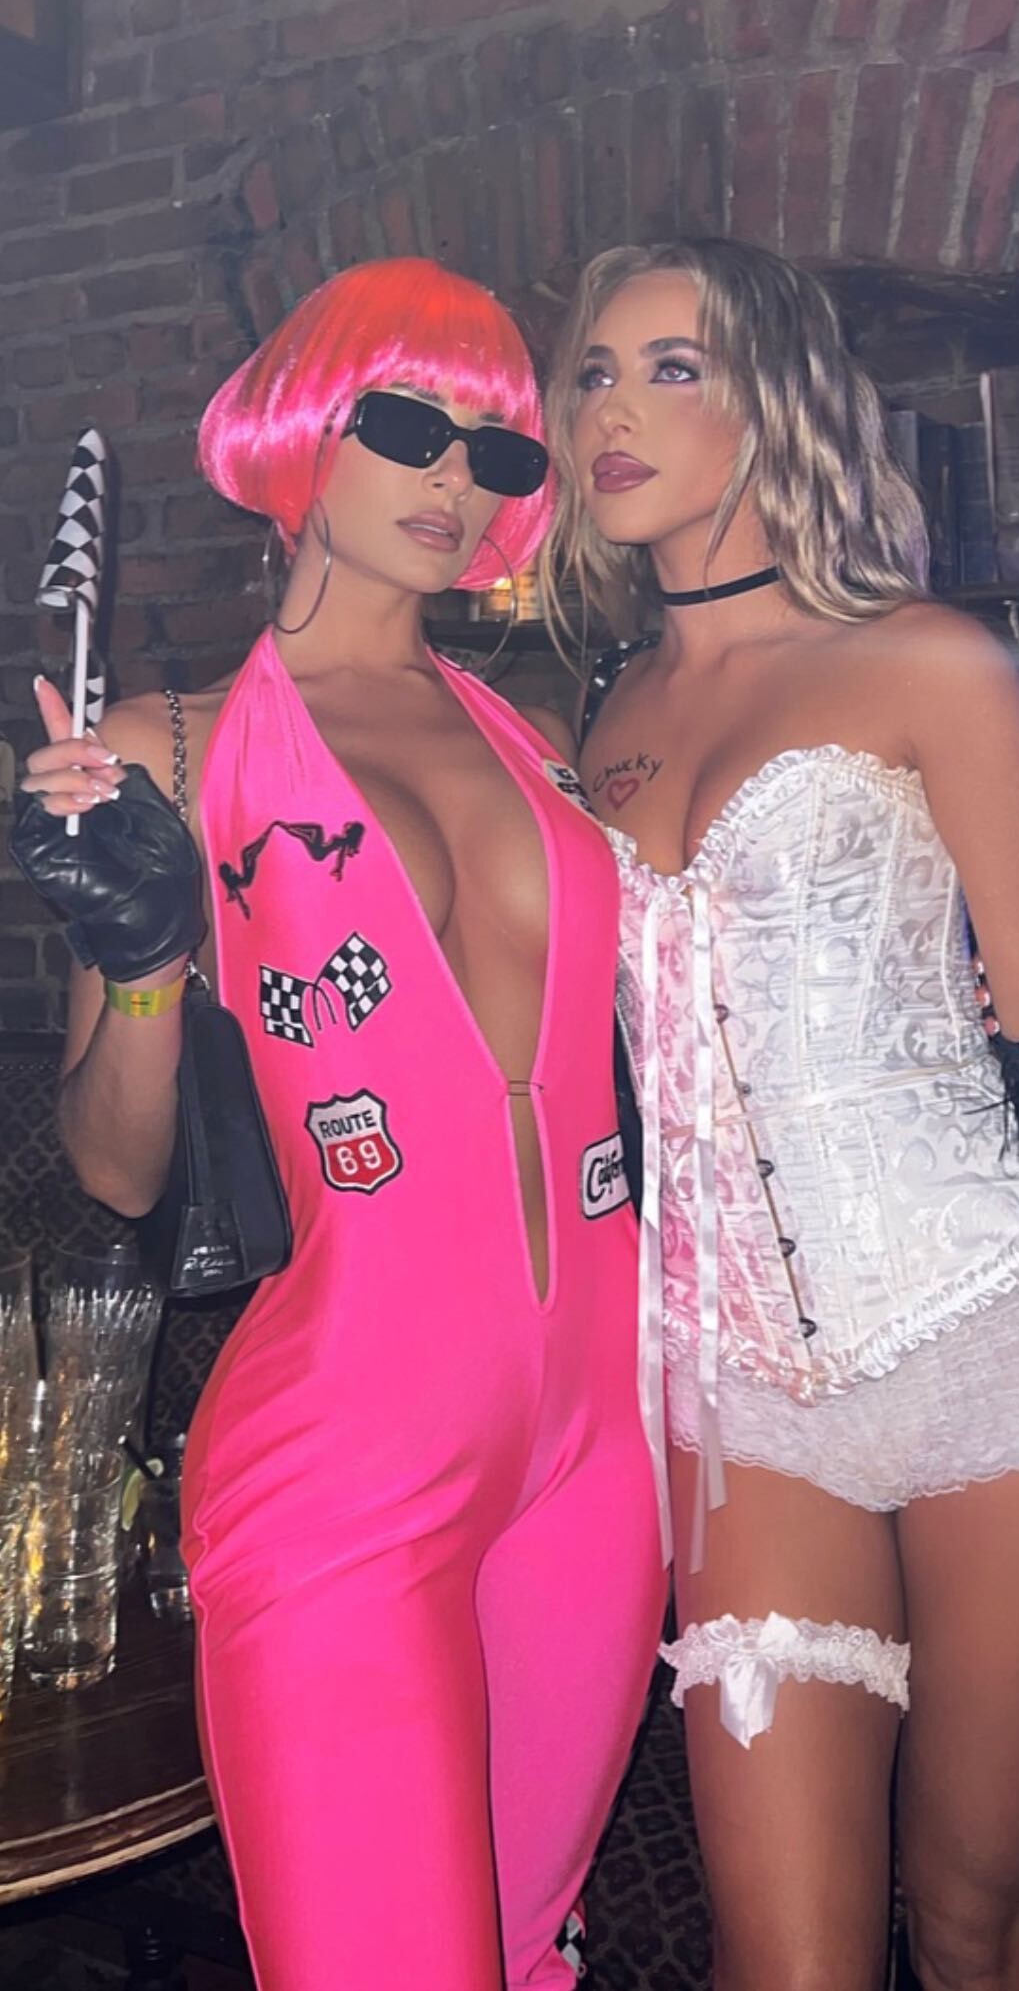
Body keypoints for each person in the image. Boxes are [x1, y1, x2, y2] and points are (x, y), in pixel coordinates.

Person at [540, 236, 1019, 1991]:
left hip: (1004, 1357)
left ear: (776, 398)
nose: (614, 412)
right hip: (740, 1403)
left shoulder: (928, 660)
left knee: (973, 1929)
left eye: (671, 367)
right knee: (782, 1959)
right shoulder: (600, 710)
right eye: (592, 374)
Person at [13, 257, 666, 1991]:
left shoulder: (540, 736)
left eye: (496, 450)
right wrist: (141, 960)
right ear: (306, 424)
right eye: (407, 424)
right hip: (349, 1459)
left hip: (600, 1463)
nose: (455, 476)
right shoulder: (165, 749)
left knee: (528, 1959)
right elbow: (115, 1167)